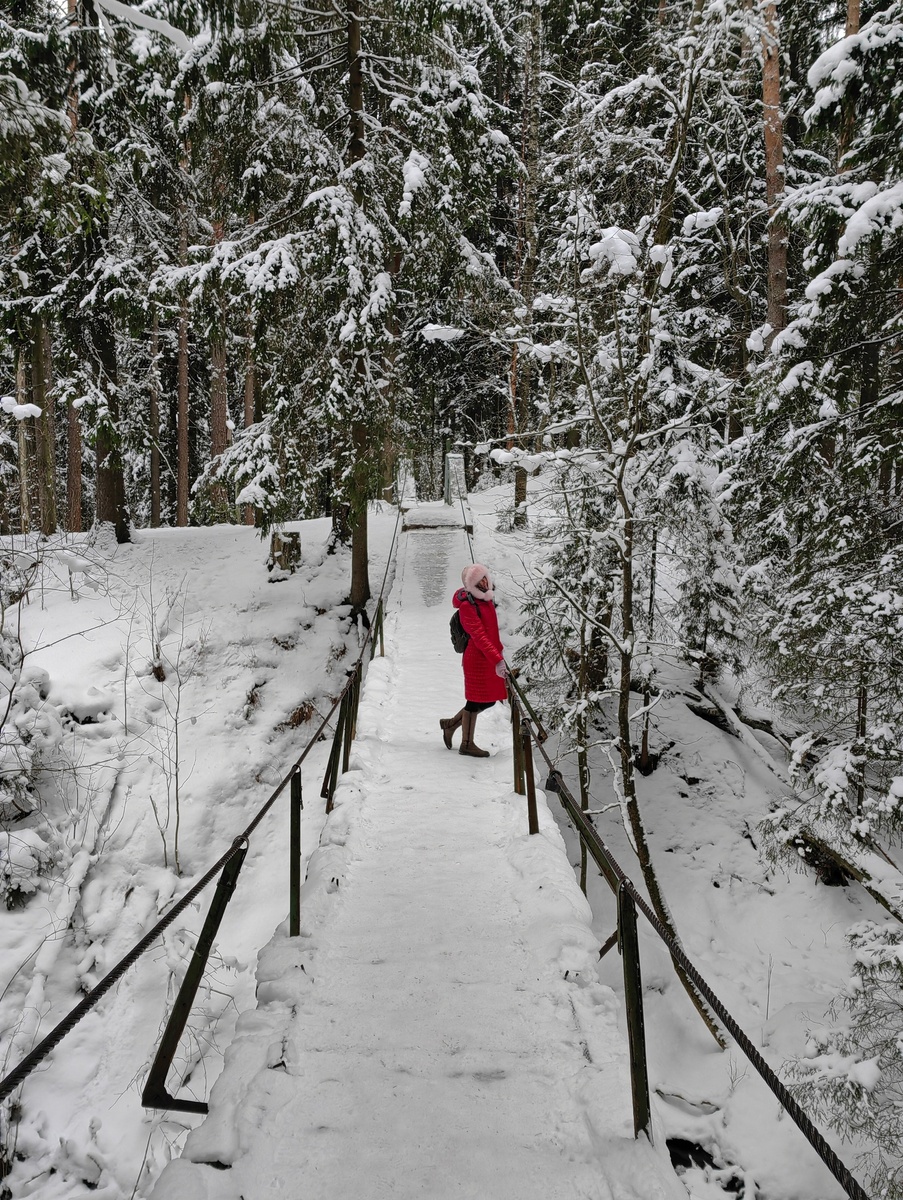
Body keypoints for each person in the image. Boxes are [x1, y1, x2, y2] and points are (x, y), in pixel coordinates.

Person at [440, 563, 508, 757]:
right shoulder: (467, 606)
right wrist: (497, 659)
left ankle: (450, 725)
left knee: (489, 701)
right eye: (480, 581)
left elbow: (492, 634)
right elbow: (479, 636)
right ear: (472, 585)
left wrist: (499, 655)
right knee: (475, 700)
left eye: (486, 578)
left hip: (489, 657)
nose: (485, 583)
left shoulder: (485, 601)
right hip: (477, 659)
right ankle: (466, 743)